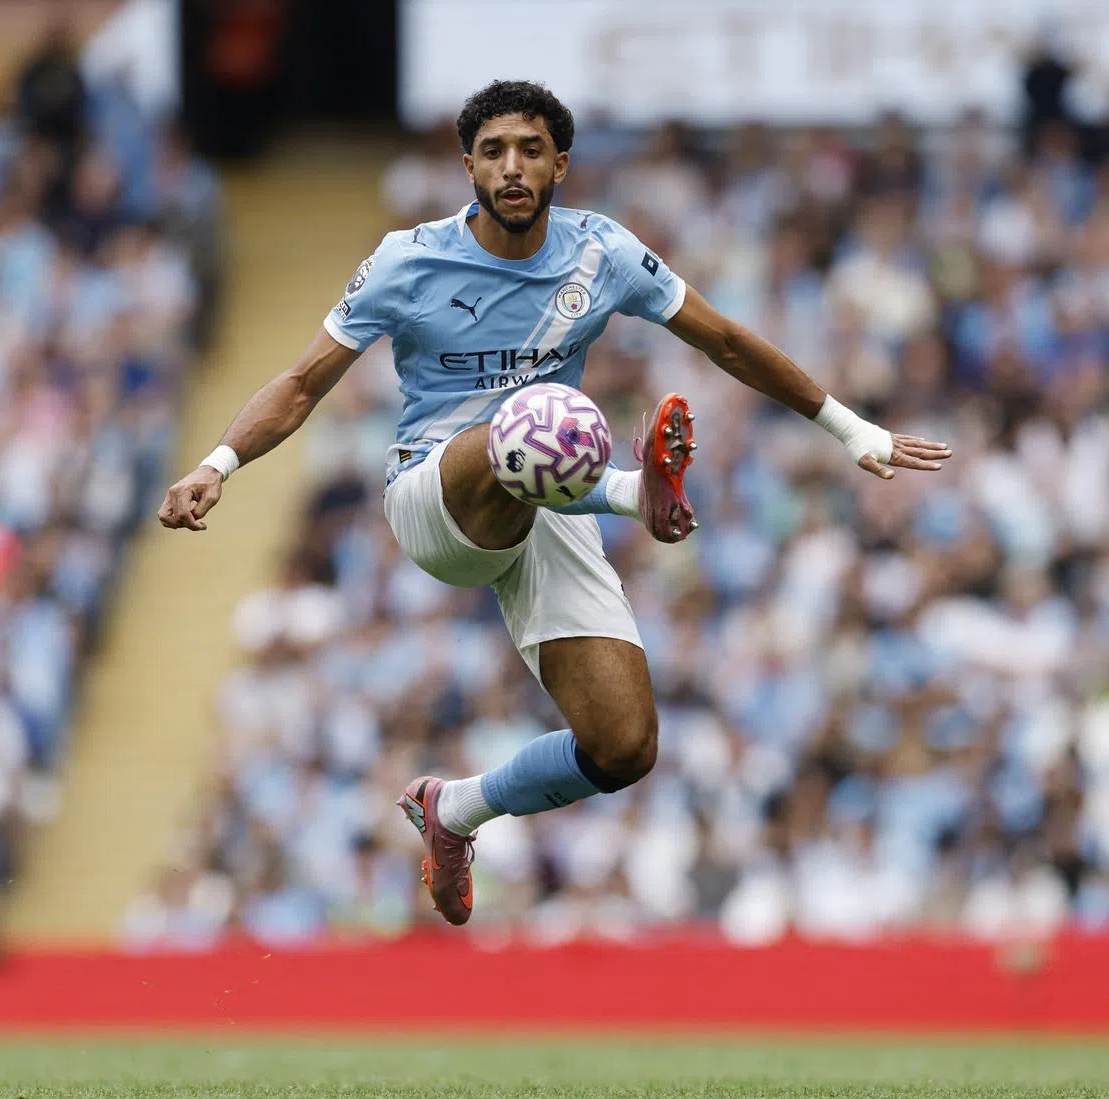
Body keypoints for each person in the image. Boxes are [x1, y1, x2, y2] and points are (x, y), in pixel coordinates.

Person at [158, 81, 950, 926]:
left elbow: (723, 338)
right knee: (536, 416)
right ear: (467, 165)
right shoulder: (407, 259)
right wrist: (220, 462)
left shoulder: (601, 253)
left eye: (531, 150)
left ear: (560, 164)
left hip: (547, 496)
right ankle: (627, 494)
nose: (512, 166)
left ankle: (456, 810)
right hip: (436, 492)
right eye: (493, 150)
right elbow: (302, 381)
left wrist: (845, 425)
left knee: (625, 746)